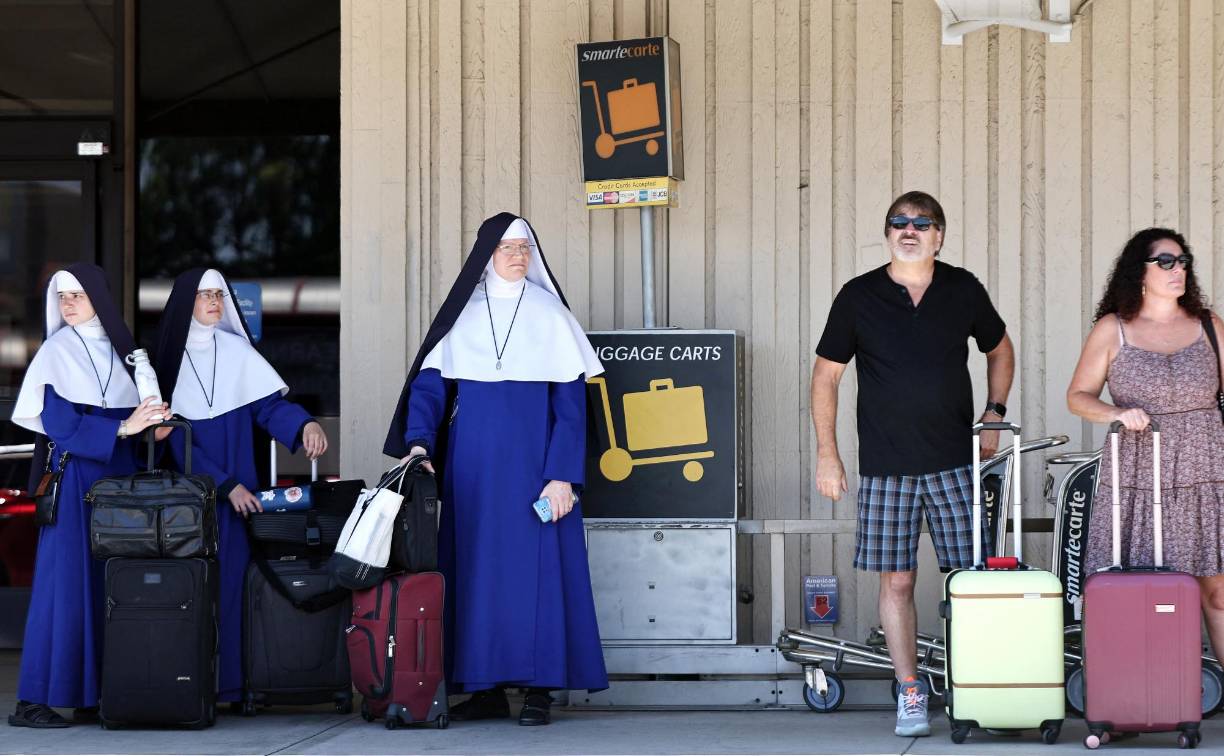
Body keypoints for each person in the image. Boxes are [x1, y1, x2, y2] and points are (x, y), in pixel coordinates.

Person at [383, 213, 608, 726]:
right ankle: (481, 687)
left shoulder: (552, 316)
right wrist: (418, 444)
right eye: (507, 246)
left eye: (525, 246)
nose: (517, 254)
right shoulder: (462, 317)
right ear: (486, 253)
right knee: (474, 574)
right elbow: (430, 388)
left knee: (542, 578)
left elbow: (572, 408)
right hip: (474, 472)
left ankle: (538, 691)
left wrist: (562, 475)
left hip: (537, 471)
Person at [810, 191, 1015, 737]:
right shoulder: (858, 296)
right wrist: (828, 454)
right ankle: (910, 693)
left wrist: (994, 412)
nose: (909, 230)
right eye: (899, 222)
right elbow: (826, 376)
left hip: (955, 462)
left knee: (968, 582)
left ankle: (977, 687)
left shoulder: (962, 288)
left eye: (921, 223)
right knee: (897, 581)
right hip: (885, 466)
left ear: (939, 235)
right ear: (887, 234)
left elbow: (999, 348)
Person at [152, 268, 328, 705]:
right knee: (187, 593)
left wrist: (303, 424)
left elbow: (270, 406)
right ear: (185, 303)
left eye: (218, 294)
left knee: (232, 592)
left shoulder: (237, 353)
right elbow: (173, 438)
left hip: (239, 502)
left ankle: (230, 687)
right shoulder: (164, 364)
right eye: (203, 295)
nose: (213, 301)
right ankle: (185, 687)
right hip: (187, 500)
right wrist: (224, 485)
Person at [8, 265, 168, 728]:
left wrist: (151, 419)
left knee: (107, 590)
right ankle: (34, 700)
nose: (70, 304)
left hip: (117, 482)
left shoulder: (124, 354)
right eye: (63, 297)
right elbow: (61, 425)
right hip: (76, 481)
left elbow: (138, 419)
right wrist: (123, 426)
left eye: (78, 295)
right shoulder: (56, 351)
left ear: (99, 296)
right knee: (64, 591)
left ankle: (92, 695)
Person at [1067, 227, 1224, 664]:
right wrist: (1116, 414)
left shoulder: (1210, 326)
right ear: (1140, 272)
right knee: (1143, 584)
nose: (1180, 270)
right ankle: (1143, 692)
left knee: (1218, 591)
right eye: (1167, 262)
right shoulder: (1113, 328)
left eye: (1184, 261)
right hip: (1140, 474)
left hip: (1207, 470)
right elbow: (1077, 396)